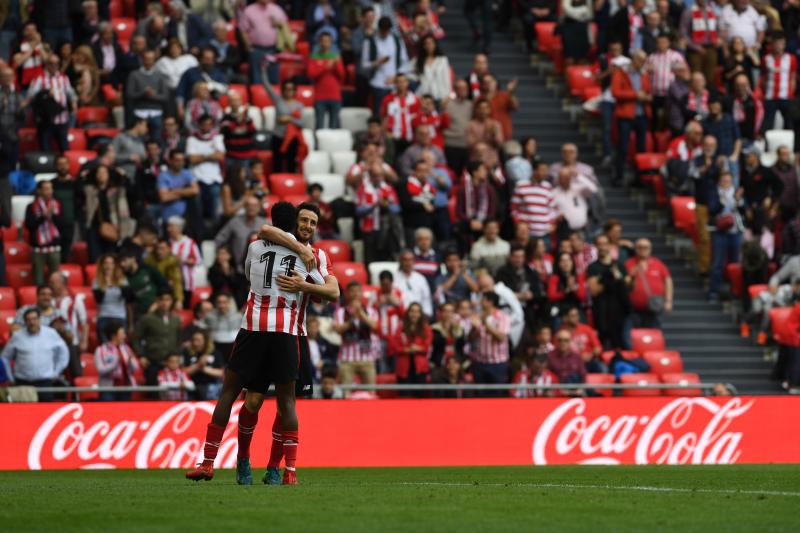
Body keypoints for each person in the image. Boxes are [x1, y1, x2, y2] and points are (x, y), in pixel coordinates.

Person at [0, 308, 70, 402]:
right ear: (24, 322)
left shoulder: (51, 334)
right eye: (28, 320)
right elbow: (5, 358)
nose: (32, 322)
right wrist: (10, 377)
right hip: (23, 383)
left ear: (39, 319)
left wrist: (56, 372)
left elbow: (63, 353)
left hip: (45, 382)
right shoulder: (17, 336)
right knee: (24, 414)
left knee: (46, 412)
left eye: (34, 319)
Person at [612, 49, 651, 186]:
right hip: (626, 114)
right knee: (623, 146)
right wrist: (635, 95)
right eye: (640, 60)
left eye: (644, 60)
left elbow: (647, 90)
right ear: (633, 60)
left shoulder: (644, 75)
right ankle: (618, 176)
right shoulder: (621, 72)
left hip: (641, 114)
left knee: (641, 148)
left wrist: (646, 97)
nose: (643, 63)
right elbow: (615, 92)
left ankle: (639, 178)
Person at [25, 52, 76, 153]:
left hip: (62, 120)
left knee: (65, 149)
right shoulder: (39, 78)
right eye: (51, 63)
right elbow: (31, 96)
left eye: (56, 63)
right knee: (45, 149)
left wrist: (74, 102)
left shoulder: (63, 78)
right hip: (45, 120)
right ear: (46, 64)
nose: (54, 66)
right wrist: (45, 94)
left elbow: (71, 93)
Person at [587, 234, 631, 349]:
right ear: (596, 246)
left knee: (621, 343)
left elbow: (628, 285)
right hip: (602, 312)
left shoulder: (619, 265)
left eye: (605, 244)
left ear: (609, 246)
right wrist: (607, 278)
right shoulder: (593, 267)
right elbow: (594, 291)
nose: (602, 247)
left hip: (619, 312)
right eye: (599, 244)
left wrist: (620, 278)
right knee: (604, 343)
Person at [83, 165, 135, 261]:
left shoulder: (117, 190)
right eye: (98, 173)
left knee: (111, 256)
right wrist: (83, 176)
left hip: (113, 226)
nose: (101, 175)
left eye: (104, 172)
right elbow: (78, 188)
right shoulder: (90, 190)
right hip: (94, 227)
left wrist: (123, 176)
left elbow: (131, 190)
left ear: (108, 175)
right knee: (95, 257)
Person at [361, 16, 410, 115]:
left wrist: (396, 76)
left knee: (395, 113)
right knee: (379, 112)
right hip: (377, 83)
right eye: (382, 30)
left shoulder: (397, 40)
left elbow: (405, 62)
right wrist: (377, 62)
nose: (384, 33)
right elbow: (364, 65)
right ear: (378, 28)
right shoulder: (369, 41)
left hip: (394, 84)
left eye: (387, 30)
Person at [708, 171, 745, 302]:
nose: (726, 183)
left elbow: (744, 211)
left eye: (728, 180)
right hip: (719, 231)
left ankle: (734, 292)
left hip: (735, 232)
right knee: (717, 263)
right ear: (719, 181)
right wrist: (722, 203)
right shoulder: (714, 192)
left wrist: (739, 201)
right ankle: (714, 292)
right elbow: (711, 210)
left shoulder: (736, 193)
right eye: (723, 180)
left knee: (734, 264)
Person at [356, 160, 403, 264]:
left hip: (385, 230)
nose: (378, 178)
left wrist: (388, 205)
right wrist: (374, 205)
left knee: (384, 258)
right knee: (370, 259)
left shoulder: (388, 189)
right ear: (370, 176)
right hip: (369, 229)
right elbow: (358, 211)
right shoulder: (363, 189)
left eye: (380, 176)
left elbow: (397, 208)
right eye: (375, 176)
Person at [133, 289, 182, 385]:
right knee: (153, 393)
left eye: (167, 300)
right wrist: (141, 355)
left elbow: (179, 339)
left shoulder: (176, 319)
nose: (164, 303)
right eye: (162, 300)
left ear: (172, 301)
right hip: (153, 362)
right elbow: (136, 338)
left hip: (171, 363)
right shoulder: (147, 318)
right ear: (157, 301)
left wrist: (177, 355)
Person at [468, 291, 511, 395]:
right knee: (480, 395)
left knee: (496, 394)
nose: (480, 302)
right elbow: (470, 339)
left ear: (490, 302)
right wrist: (473, 329)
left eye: (482, 300)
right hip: (480, 362)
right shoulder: (477, 316)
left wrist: (486, 324)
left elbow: (501, 337)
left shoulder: (503, 318)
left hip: (497, 364)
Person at [624, 238, 673, 328]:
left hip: (654, 307)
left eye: (646, 247)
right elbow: (624, 284)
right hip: (633, 309)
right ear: (635, 249)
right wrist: (631, 276)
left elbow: (668, 281)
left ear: (650, 249)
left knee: (653, 335)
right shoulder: (628, 263)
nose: (643, 250)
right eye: (640, 247)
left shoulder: (658, 263)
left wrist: (668, 301)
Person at [262, 71, 305, 173]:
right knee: (277, 163)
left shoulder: (299, 105)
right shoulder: (278, 100)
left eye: (291, 89)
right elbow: (267, 86)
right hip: (278, 136)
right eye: (286, 89)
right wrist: (264, 71)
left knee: (291, 164)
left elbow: (302, 123)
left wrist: (289, 119)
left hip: (292, 139)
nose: (288, 91)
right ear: (283, 90)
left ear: (295, 90)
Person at [25, 180, 66, 286]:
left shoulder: (57, 204)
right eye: (46, 189)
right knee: (38, 280)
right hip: (38, 249)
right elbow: (29, 226)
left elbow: (63, 225)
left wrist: (53, 215)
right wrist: (43, 216)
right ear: (39, 191)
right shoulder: (31, 206)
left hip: (54, 248)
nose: (49, 191)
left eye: (51, 188)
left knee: (56, 279)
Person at [186, 114, 225, 221]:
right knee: (198, 214)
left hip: (214, 179)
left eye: (209, 124)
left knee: (214, 214)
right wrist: (210, 155)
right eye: (204, 124)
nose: (207, 127)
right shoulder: (192, 139)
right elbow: (192, 159)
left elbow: (220, 156)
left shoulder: (217, 137)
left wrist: (201, 156)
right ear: (199, 125)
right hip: (197, 180)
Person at [239, 0, 288, 84]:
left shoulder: (276, 9)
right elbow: (243, 30)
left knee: (273, 77)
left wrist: (278, 23)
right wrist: (248, 47)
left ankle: (272, 96)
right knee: (257, 78)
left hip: (273, 49)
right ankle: (258, 96)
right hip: (256, 49)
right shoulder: (249, 10)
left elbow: (285, 25)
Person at [214, 196, 267, 273]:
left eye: (255, 205)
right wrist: (223, 256)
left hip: (260, 269)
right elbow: (218, 240)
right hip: (238, 269)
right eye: (249, 205)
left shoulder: (265, 224)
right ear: (244, 207)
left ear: (259, 208)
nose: (251, 208)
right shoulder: (234, 222)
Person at [125, 49, 169, 140]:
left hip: (156, 112)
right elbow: (129, 94)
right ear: (142, 60)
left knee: (156, 141)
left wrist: (152, 95)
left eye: (151, 59)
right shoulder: (134, 75)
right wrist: (143, 93)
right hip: (139, 112)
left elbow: (165, 96)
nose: (149, 62)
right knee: (138, 140)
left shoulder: (160, 75)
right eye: (146, 59)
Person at [496, 244, 544, 327]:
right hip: (508, 309)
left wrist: (532, 295)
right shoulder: (502, 272)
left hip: (528, 309)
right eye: (516, 257)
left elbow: (539, 293)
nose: (518, 260)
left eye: (521, 257)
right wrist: (514, 296)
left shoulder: (530, 272)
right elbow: (497, 292)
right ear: (510, 257)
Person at [389, 302, 432, 394]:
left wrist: (417, 348)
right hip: (403, 367)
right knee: (405, 396)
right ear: (408, 313)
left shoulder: (426, 329)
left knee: (420, 398)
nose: (414, 314)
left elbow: (427, 347)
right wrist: (407, 350)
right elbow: (395, 347)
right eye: (412, 311)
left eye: (417, 312)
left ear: (420, 314)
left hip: (420, 368)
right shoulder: (400, 328)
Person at [456, 161, 496, 254]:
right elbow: (459, 211)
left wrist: (481, 222)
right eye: (483, 170)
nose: (485, 172)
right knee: (461, 229)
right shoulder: (463, 189)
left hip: (484, 223)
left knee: (490, 227)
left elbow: (492, 211)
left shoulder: (489, 190)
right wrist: (470, 222)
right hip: (467, 223)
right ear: (474, 172)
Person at [95, 320, 140, 402]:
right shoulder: (101, 350)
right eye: (122, 334)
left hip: (125, 388)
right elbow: (101, 370)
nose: (124, 336)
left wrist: (130, 361)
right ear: (114, 336)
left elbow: (135, 368)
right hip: (109, 389)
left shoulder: (126, 348)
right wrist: (116, 362)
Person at [308, 31, 344, 129]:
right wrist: (326, 66)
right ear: (319, 42)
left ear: (331, 42)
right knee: (319, 126)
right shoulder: (314, 57)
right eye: (323, 41)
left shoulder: (336, 57)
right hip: (320, 96)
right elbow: (311, 74)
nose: (325, 43)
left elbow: (342, 76)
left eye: (328, 41)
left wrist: (336, 65)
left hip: (335, 96)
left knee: (334, 126)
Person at [761, 33, 795, 133]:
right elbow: (764, 77)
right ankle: (766, 144)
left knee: (789, 122)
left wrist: (791, 94)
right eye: (777, 44)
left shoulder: (791, 58)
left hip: (786, 95)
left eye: (782, 44)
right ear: (772, 45)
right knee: (768, 123)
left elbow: (793, 77)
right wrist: (765, 91)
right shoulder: (766, 59)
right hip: (770, 96)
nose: (779, 46)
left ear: (784, 45)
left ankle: (790, 145)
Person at [680, 0, 721, 84]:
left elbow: (717, 28)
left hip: (711, 48)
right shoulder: (688, 12)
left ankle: (708, 95)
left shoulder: (712, 11)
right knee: (696, 77)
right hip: (695, 50)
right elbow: (683, 32)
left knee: (710, 77)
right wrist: (695, 47)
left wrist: (718, 39)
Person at [93, 253, 133, 340]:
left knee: (119, 345)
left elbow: (129, 298)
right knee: (106, 347)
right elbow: (99, 299)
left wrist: (118, 283)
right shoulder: (97, 281)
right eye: (106, 263)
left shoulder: (123, 280)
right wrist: (106, 283)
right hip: (104, 316)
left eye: (111, 263)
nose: (108, 266)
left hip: (119, 316)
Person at [380, 73, 420, 156]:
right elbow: (384, 118)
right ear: (395, 84)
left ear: (407, 83)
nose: (401, 84)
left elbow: (418, 118)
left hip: (410, 137)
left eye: (403, 81)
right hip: (393, 137)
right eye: (398, 82)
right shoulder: (388, 99)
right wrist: (385, 133)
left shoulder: (415, 100)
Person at [158, 151, 199, 224]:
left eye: (182, 160)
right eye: (177, 160)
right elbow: (164, 197)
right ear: (170, 161)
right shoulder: (163, 176)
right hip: (169, 219)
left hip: (186, 218)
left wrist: (173, 191)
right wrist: (186, 192)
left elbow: (195, 190)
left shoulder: (187, 173)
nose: (181, 163)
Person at [559, 306, 604, 373]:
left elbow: (598, 348)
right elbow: (559, 353)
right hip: (571, 364)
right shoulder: (561, 333)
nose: (576, 318)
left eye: (577, 315)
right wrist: (579, 358)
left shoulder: (586, 329)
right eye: (572, 316)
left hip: (590, 361)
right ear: (565, 318)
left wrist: (590, 355)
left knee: (602, 368)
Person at [443, 80, 474, 176]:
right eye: (460, 88)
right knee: (453, 173)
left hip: (466, 145)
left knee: (466, 174)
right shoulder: (447, 105)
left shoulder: (471, 105)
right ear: (455, 90)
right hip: (451, 144)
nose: (463, 91)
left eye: (465, 88)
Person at [182, 329, 224, 400]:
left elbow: (220, 373)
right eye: (194, 340)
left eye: (198, 340)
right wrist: (199, 365)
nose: (195, 343)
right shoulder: (188, 353)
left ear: (206, 341)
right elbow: (183, 372)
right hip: (192, 388)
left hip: (211, 388)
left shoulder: (215, 353)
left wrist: (203, 369)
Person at [464, 97, 504, 169]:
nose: (483, 111)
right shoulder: (470, 125)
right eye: (480, 108)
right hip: (476, 162)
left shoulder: (495, 124)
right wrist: (485, 135)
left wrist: (494, 134)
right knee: (480, 147)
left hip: (492, 161)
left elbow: (499, 144)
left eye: (485, 108)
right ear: (476, 110)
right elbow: (469, 144)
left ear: (489, 110)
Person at [395, 249, 433, 317]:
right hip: (399, 316)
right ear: (400, 261)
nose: (408, 263)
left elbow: (426, 300)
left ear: (414, 261)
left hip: (418, 317)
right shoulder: (394, 279)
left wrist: (426, 316)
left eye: (410, 260)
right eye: (405, 260)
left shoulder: (421, 279)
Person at [413, 34, 451, 102]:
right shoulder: (417, 60)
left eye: (431, 43)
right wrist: (416, 78)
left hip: (439, 95)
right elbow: (406, 72)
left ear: (435, 44)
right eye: (426, 43)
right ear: (423, 46)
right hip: (423, 95)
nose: (429, 46)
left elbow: (446, 78)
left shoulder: (442, 60)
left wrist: (447, 95)